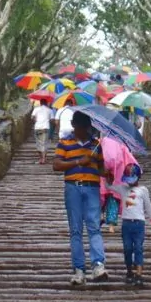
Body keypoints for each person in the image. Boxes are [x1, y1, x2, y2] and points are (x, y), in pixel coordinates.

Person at [53, 110, 108, 285]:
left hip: (92, 188)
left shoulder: (96, 145)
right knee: (76, 230)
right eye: (81, 126)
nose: (84, 130)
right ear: (73, 125)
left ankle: (98, 265)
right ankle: (79, 269)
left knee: (94, 227)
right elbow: (56, 165)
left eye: (86, 127)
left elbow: (100, 168)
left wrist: (107, 173)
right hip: (73, 188)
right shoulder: (65, 143)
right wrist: (78, 162)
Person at [105, 163, 151, 287]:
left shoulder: (143, 190)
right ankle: (129, 271)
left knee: (138, 248)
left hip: (139, 224)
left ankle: (139, 275)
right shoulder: (122, 188)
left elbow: (148, 208)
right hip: (126, 224)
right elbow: (108, 186)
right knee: (127, 249)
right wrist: (107, 176)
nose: (130, 182)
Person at [32, 100, 53, 164]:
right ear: (46, 103)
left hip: (37, 127)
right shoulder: (50, 110)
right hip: (45, 128)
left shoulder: (36, 109)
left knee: (38, 143)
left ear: (40, 103)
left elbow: (33, 117)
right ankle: (44, 159)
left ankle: (40, 158)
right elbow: (52, 120)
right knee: (44, 143)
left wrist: (36, 121)